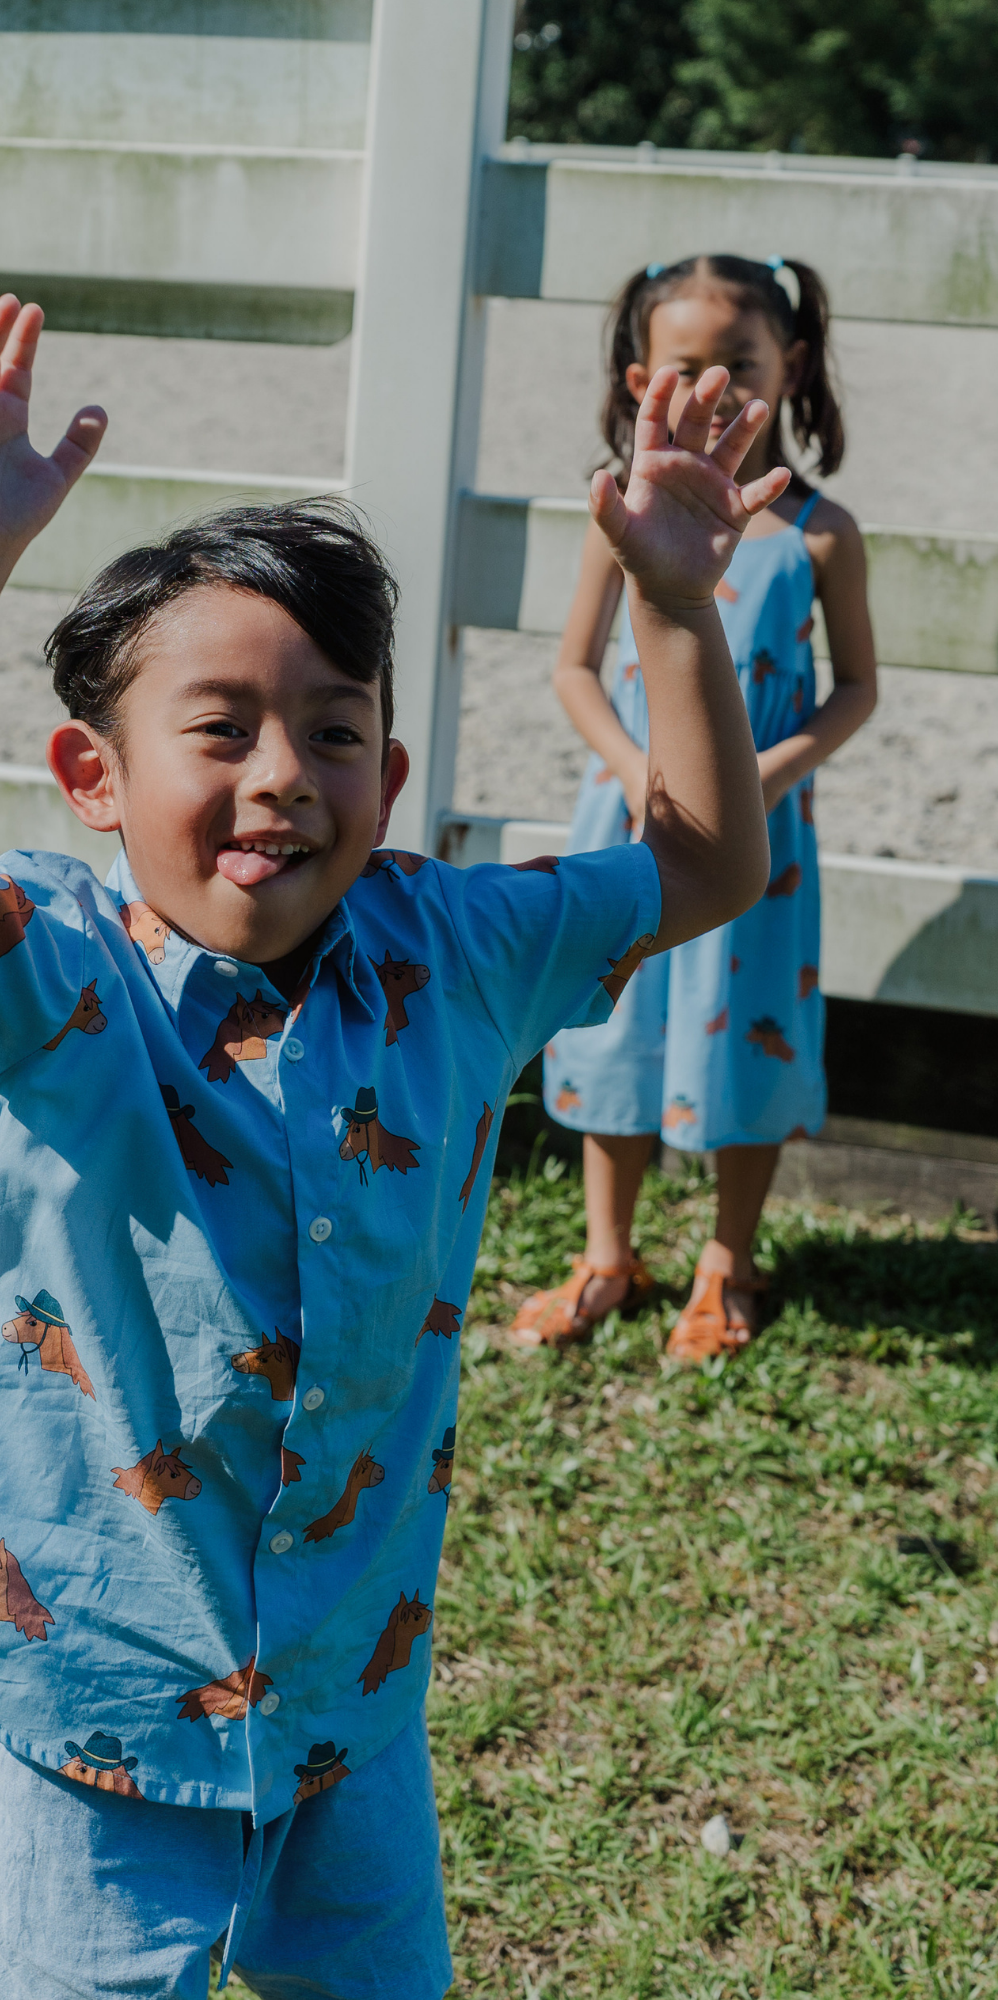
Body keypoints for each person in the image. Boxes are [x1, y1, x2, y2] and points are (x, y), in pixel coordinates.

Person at [0, 292, 780, 1999]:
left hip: (342, 1687)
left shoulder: (456, 955)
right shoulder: (59, 971)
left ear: (387, 777)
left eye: (330, 731)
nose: (280, 777)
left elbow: (704, 866)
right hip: (89, 1689)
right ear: (90, 775)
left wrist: (675, 610)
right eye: (220, 727)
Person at [514, 254, 877, 1368]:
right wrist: (633, 767)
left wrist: (765, 774)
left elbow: (854, 687)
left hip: (758, 841)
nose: (715, 385)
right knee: (616, 1022)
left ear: (791, 368)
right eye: (686, 366)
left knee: (746, 1024)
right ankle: (607, 1251)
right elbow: (575, 669)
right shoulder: (614, 514)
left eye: (742, 365)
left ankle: (728, 1255)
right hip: (626, 824)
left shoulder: (819, 533)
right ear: (639, 382)